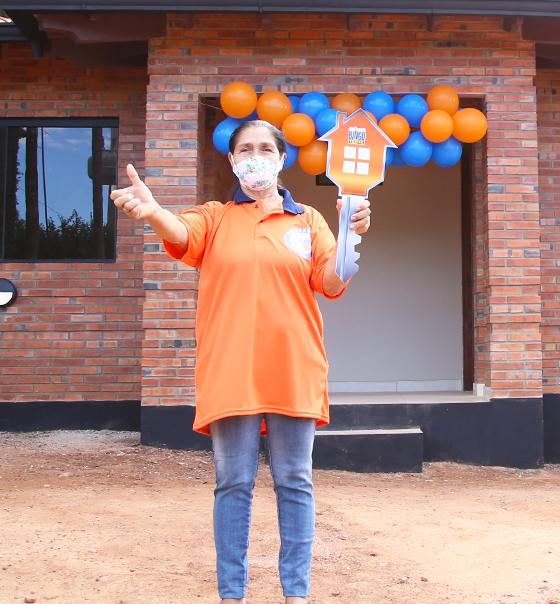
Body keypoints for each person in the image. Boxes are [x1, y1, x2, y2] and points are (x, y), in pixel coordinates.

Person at [110, 119, 371, 604]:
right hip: (230, 369)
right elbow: (179, 232)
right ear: (231, 161)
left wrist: (350, 233)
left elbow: (331, 283)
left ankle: (296, 594)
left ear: (282, 158)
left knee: (295, 481)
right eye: (245, 149)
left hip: (294, 367)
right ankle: (232, 594)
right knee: (233, 483)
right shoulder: (214, 217)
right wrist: (154, 211)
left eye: (266, 149)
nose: (256, 157)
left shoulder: (309, 220)